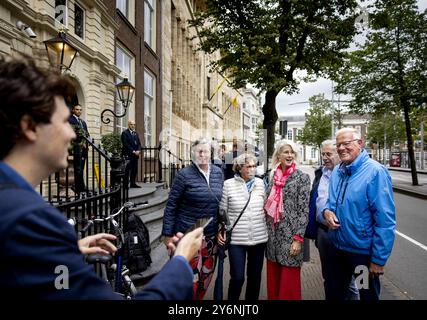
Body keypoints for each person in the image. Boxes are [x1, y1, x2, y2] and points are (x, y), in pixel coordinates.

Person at [0, 55, 202, 300]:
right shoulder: (30, 218)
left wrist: (64, 255)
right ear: (30, 127)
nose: (71, 134)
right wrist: (180, 262)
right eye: (64, 121)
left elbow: (44, 282)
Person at [322, 128, 396, 300]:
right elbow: (330, 203)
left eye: (346, 143)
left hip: (360, 255)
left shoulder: (375, 172)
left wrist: (378, 259)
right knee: (335, 295)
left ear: (359, 143)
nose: (341, 148)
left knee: (366, 295)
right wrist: (326, 212)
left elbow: (385, 220)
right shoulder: (338, 171)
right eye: (338, 144)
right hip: (337, 250)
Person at [162, 138, 224, 300]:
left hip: (209, 238)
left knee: (205, 278)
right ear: (193, 153)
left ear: (211, 154)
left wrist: (221, 229)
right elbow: (171, 206)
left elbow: (221, 204)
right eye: (199, 151)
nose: (202, 154)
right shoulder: (184, 175)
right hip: (187, 236)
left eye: (206, 151)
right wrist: (167, 234)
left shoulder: (218, 173)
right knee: (188, 281)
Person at [310, 140, 359, 300]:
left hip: (347, 235)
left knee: (353, 280)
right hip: (324, 233)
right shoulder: (320, 173)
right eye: (323, 154)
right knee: (329, 277)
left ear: (338, 154)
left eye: (329, 154)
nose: (325, 157)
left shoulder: (348, 174)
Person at [217, 153, 268, 300]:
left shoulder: (260, 183)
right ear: (239, 168)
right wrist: (221, 230)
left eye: (254, 166)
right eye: (249, 166)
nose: (253, 169)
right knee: (238, 277)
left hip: (258, 238)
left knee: (255, 278)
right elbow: (222, 211)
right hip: (236, 240)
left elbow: (266, 207)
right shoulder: (228, 185)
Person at [264, 140, 310, 300]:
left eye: (292, 152)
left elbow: (304, 211)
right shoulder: (272, 176)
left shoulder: (302, 177)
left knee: (288, 285)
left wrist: (298, 239)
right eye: (286, 152)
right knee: (273, 281)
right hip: (273, 236)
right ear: (278, 155)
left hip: (290, 237)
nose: (289, 155)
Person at [69, 104, 90, 194]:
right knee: (77, 168)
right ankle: (78, 188)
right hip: (76, 148)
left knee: (81, 168)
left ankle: (82, 186)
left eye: (80, 110)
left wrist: (86, 143)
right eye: (77, 109)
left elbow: (87, 134)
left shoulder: (83, 122)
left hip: (84, 149)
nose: (79, 111)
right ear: (73, 110)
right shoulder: (70, 120)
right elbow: (71, 134)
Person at [121, 120, 142, 188]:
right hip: (128, 155)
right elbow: (126, 144)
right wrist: (133, 151)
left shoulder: (136, 133)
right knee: (127, 170)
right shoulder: (124, 133)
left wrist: (138, 150)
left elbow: (139, 143)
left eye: (134, 124)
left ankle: (133, 183)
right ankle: (125, 185)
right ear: (128, 125)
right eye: (131, 124)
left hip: (135, 156)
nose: (133, 126)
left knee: (134, 170)